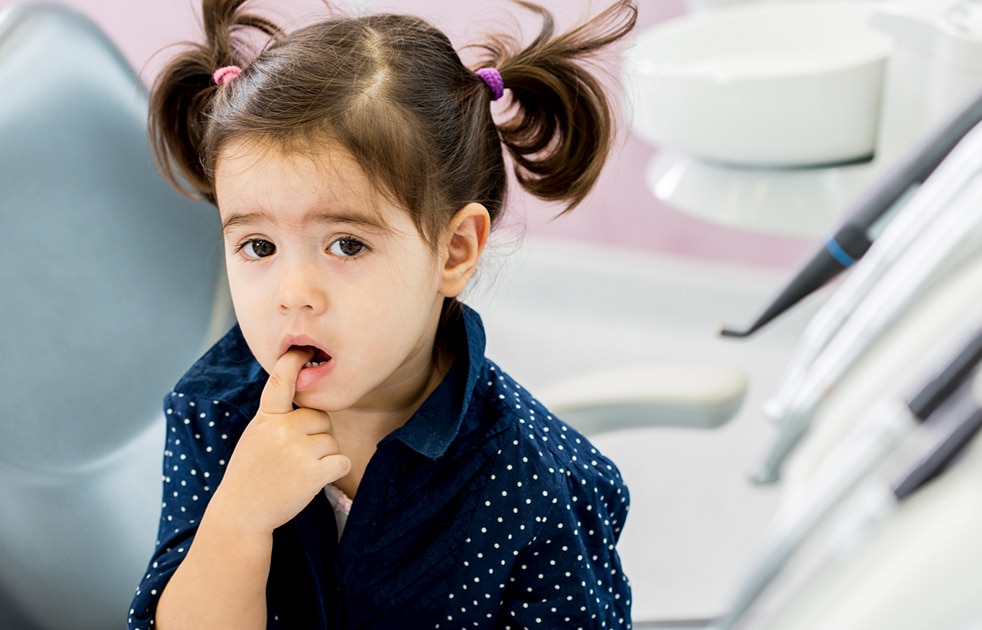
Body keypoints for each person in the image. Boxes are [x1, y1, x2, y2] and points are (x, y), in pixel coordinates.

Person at [127, 0, 638, 627]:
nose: (294, 293)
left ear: (454, 251)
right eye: (258, 246)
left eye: (347, 244)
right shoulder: (215, 413)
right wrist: (240, 519)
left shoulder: (538, 486)